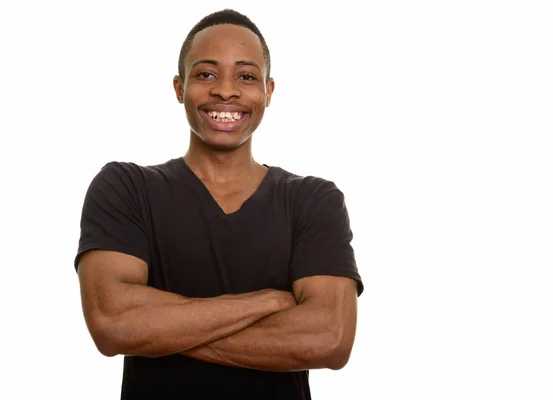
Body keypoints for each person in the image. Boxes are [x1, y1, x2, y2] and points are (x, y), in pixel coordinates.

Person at [74, 8, 364, 400]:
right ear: (179, 88)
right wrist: (267, 302)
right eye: (206, 74)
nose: (226, 91)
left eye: (246, 76)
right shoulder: (127, 188)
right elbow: (113, 323)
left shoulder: (313, 200)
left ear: (269, 91)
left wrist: (160, 331)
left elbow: (329, 338)